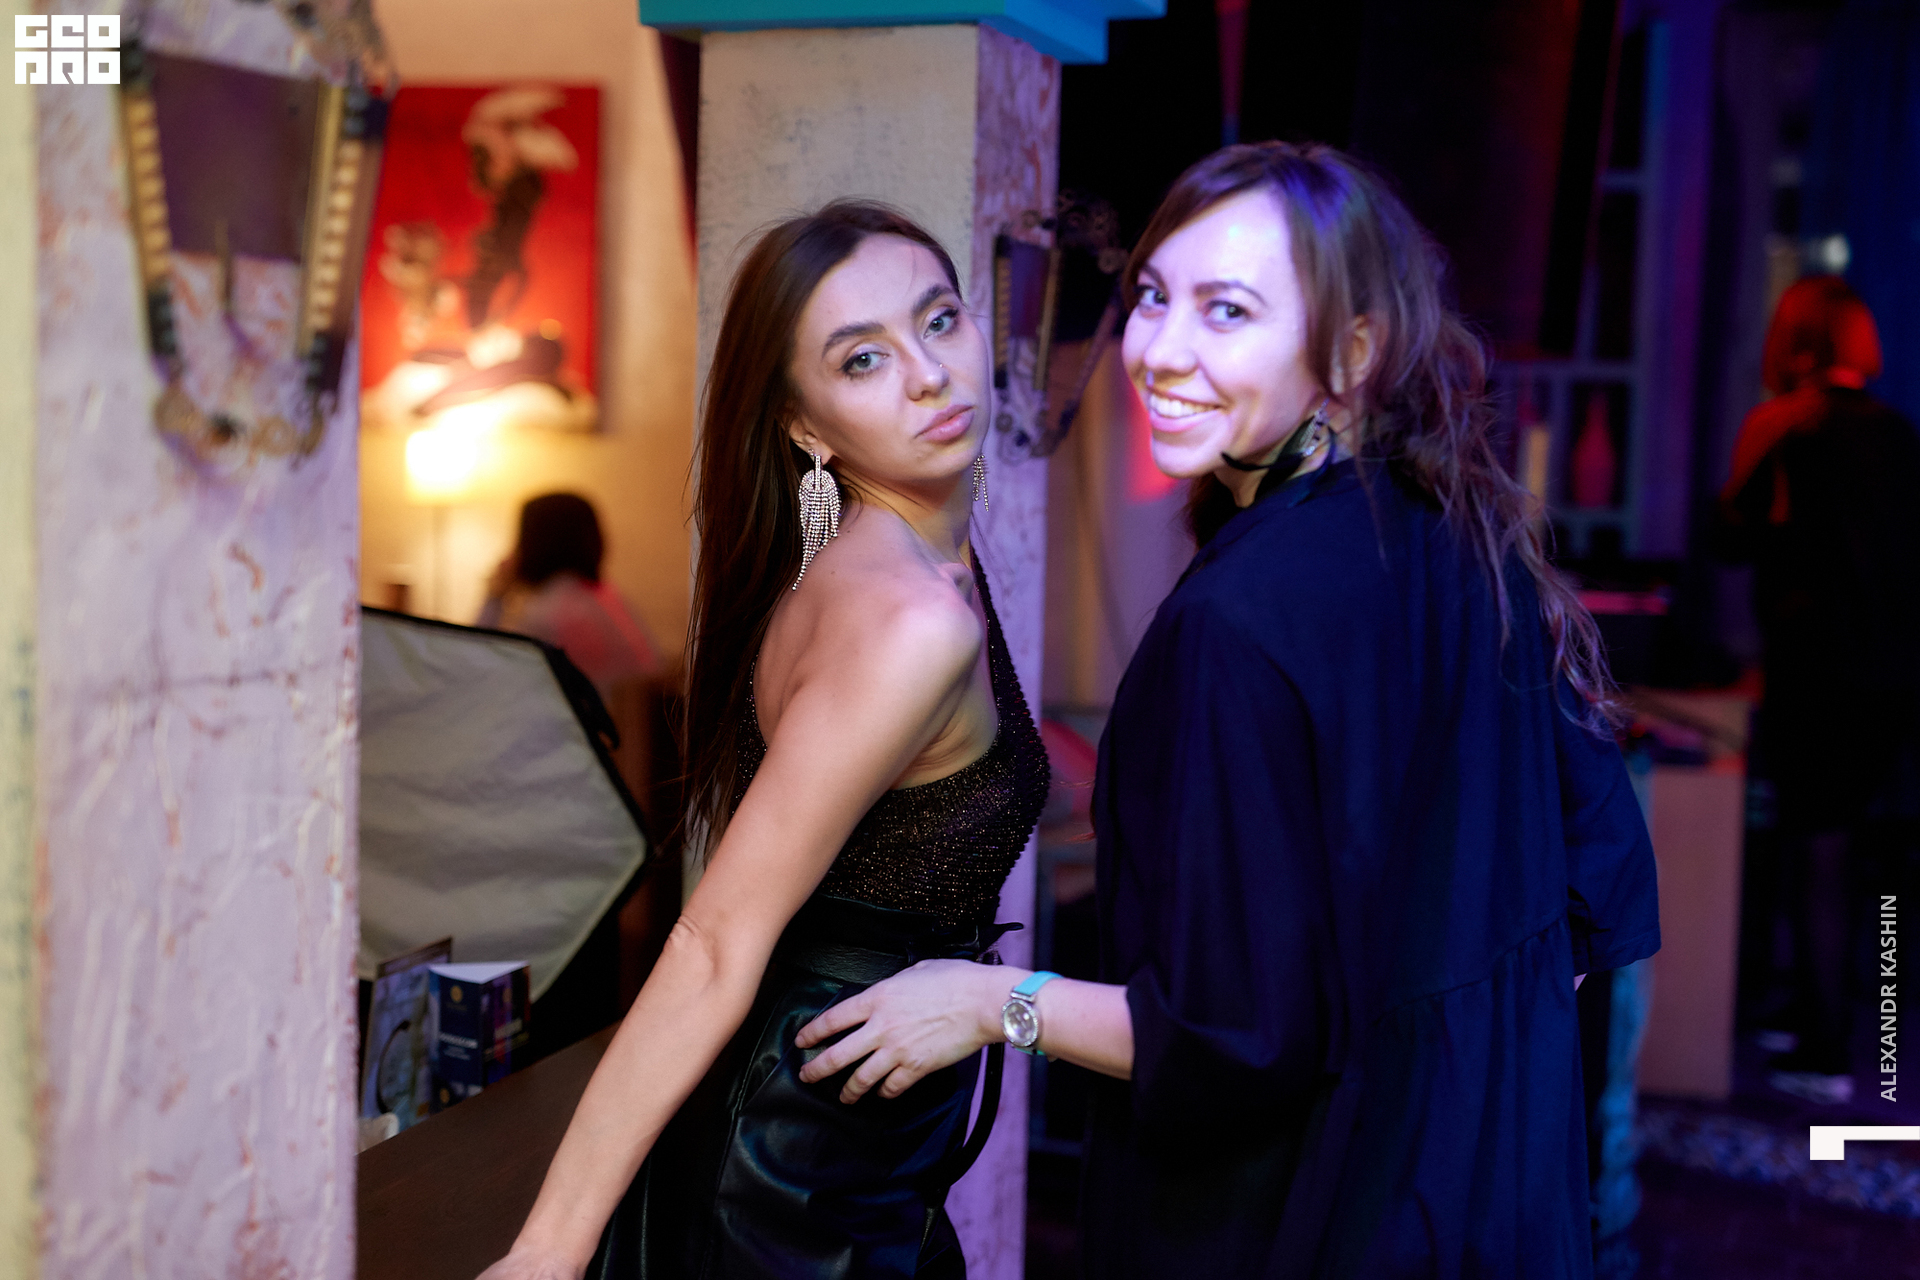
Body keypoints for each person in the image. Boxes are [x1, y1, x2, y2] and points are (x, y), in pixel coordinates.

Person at [794, 143, 1661, 1278]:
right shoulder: (1463, 540)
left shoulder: (1236, 624)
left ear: (1353, 353)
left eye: (1229, 311)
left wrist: (986, 1000)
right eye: (1155, 295)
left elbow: (1231, 1040)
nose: (1161, 349)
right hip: (1490, 1220)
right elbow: (1593, 899)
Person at [477, 201, 1049, 1280]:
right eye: (864, 359)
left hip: (851, 1131)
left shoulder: (887, 566)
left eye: (940, 319)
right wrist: (546, 1249)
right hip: (800, 1164)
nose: (929, 375)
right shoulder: (910, 620)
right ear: (806, 428)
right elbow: (711, 941)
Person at [1717, 276, 1920, 1104]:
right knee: (1859, 856)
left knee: (1813, 849)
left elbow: (1731, 536)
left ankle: (1827, 1044)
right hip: (1893, 679)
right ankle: (1834, 1024)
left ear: (1794, 341)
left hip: (1817, 673)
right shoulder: (1900, 434)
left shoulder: (1785, 424)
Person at [477, 492, 660, 697]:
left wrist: (495, 597)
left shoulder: (543, 614)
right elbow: (652, 664)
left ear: (532, 542)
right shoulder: (606, 599)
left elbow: (478, 664)